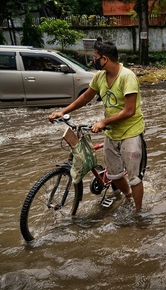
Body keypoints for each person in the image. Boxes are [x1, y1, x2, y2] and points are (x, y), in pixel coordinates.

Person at [49, 41, 146, 211]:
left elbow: (129, 110)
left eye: (95, 57)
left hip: (130, 131)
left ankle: (138, 212)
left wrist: (103, 122)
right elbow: (87, 96)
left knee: (134, 178)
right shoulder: (100, 76)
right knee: (114, 174)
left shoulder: (127, 76)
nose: (93, 61)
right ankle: (128, 196)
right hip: (112, 132)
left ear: (105, 59)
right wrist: (63, 112)